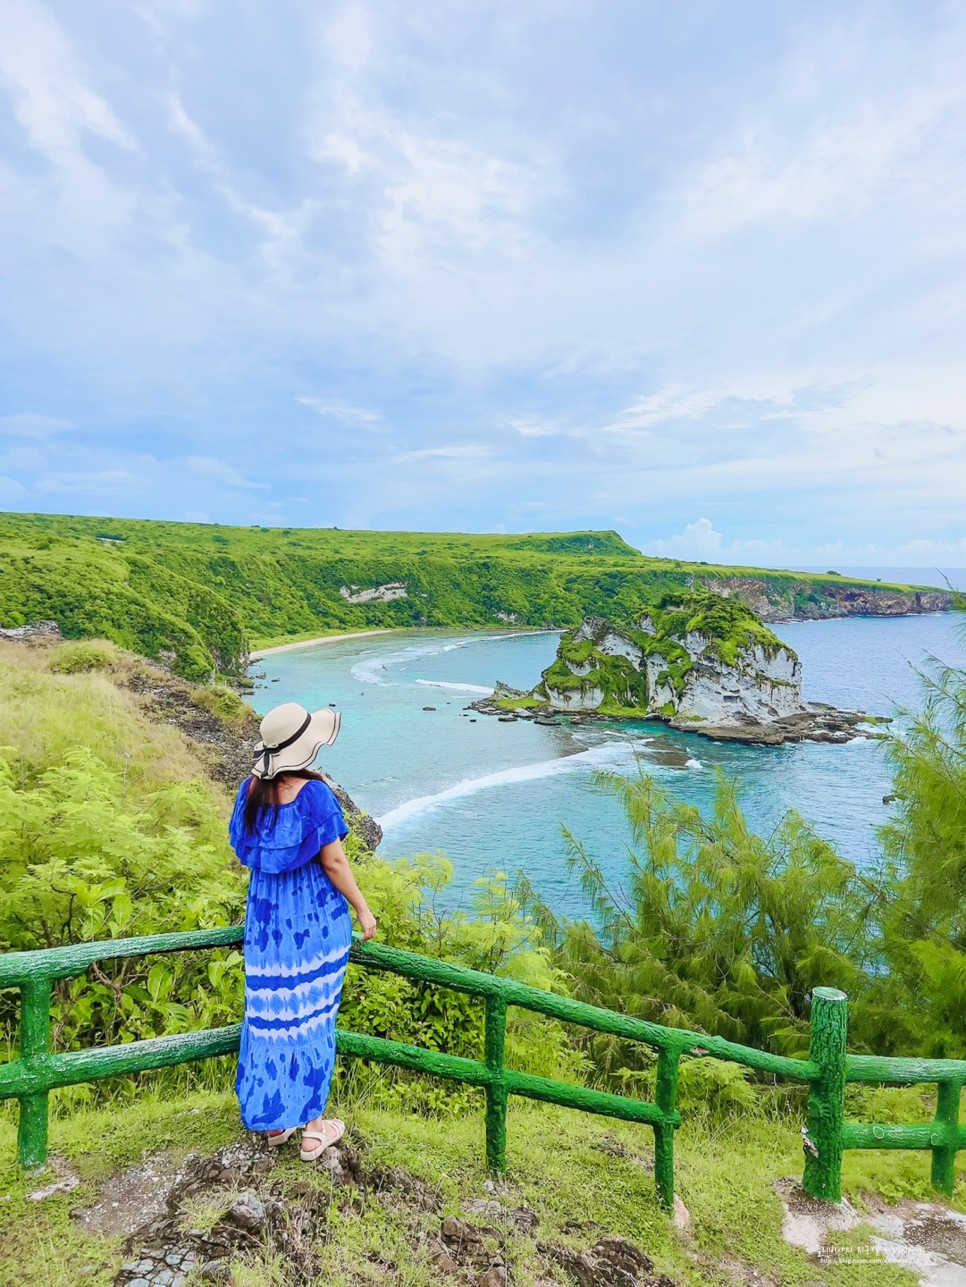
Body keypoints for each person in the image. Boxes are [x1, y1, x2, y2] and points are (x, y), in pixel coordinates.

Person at [228, 701, 377, 1161]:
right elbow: (334, 862)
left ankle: (276, 1121)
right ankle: (314, 1126)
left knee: (271, 1018)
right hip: (313, 925)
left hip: (266, 925)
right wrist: (364, 911)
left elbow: (244, 850)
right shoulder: (314, 796)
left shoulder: (249, 791)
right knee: (313, 1018)